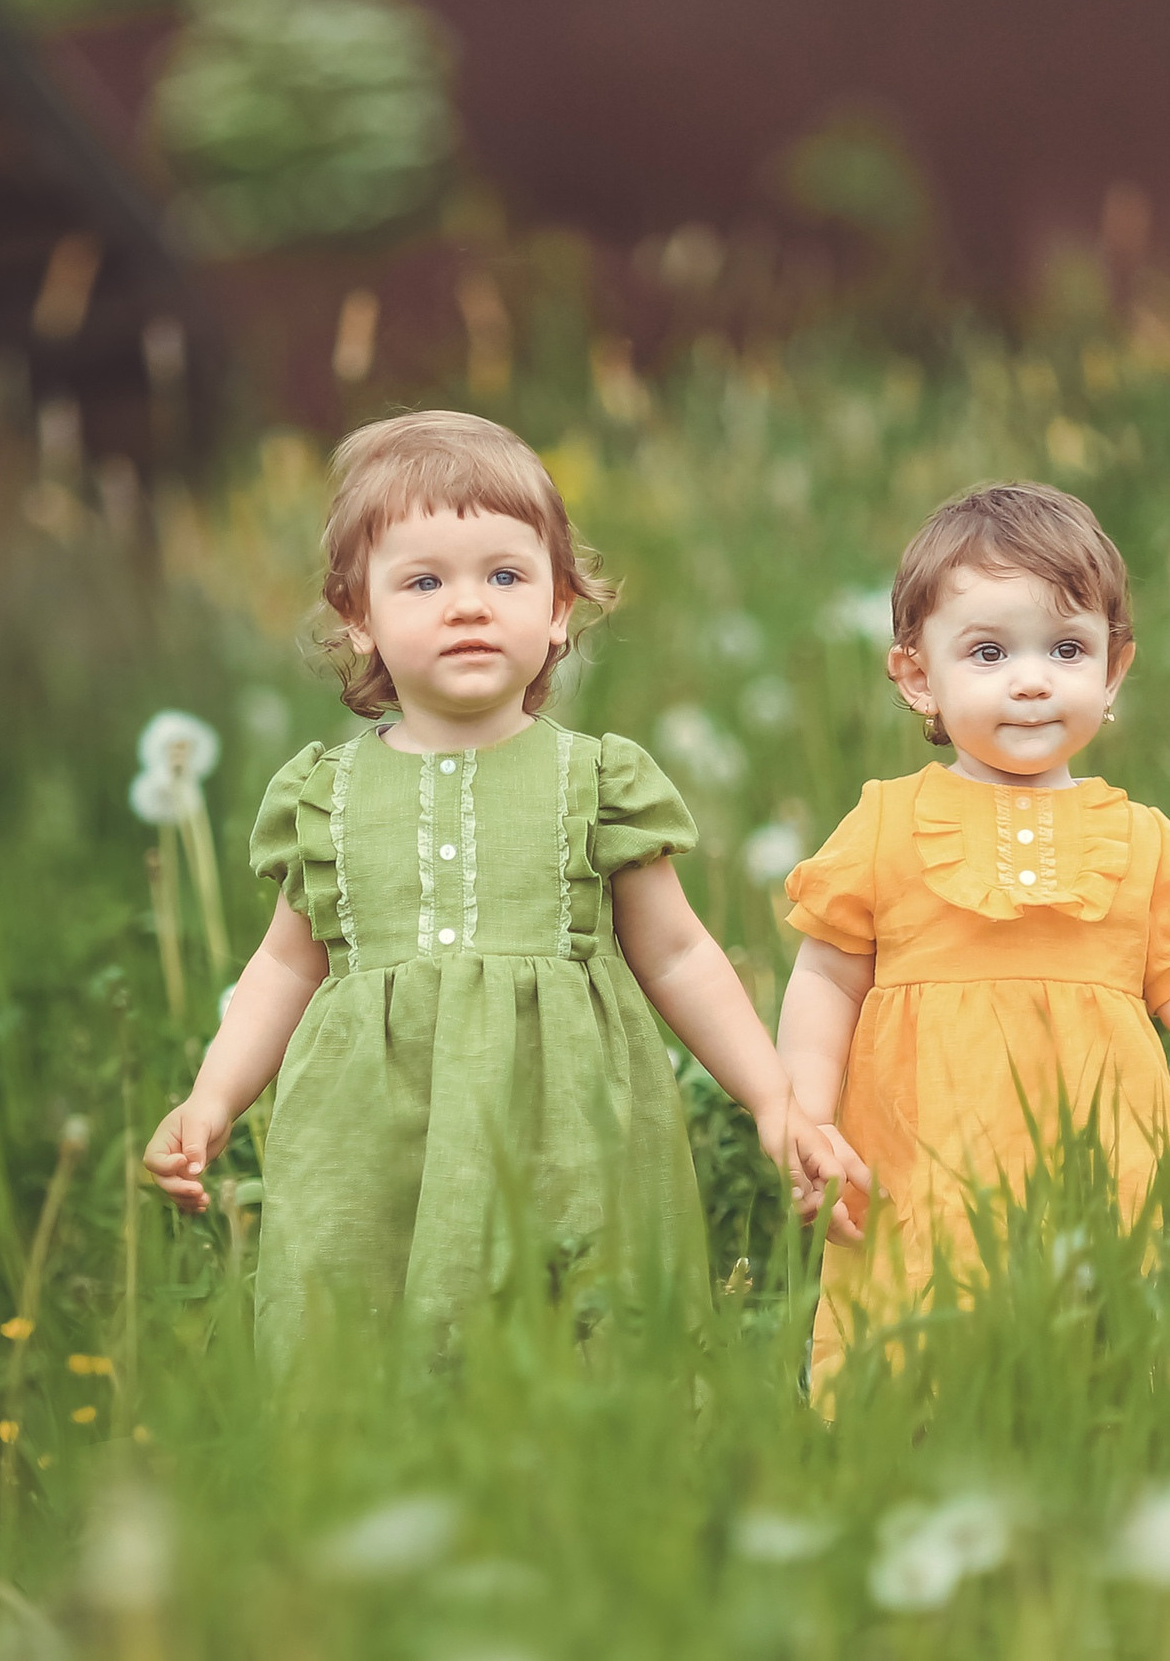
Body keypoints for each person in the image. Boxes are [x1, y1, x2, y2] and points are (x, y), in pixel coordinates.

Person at [143, 409, 862, 1368]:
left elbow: (680, 952)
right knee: (361, 1333)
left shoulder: (597, 779)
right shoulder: (326, 795)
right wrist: (211, 1100)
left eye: (505, 577)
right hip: (370, 1138)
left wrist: (773, 1100)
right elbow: (283, 965)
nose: (469, 606)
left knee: (582, 1330)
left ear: (559, 608)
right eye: (424, 582)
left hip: (567, 1132)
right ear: (357, 615)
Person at [776, 481, 1170, 1403]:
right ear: (918, 676)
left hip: (1106, 1182)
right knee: (917, 1372)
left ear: (1113, 672)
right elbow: (825, 982)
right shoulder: (885, 825)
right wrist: (806, 1119)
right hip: (923, 1176)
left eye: (1067, 649)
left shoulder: (1143, 842)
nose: (1032, 679)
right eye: (989, 651)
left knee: (1109, 1381)